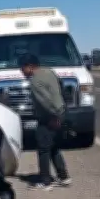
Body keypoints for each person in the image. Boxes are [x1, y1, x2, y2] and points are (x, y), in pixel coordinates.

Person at [18, 53, 72, 190]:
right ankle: (63, 176)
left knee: (43, 148)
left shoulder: (35, 81)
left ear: (30, 67)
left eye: (22, 68)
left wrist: (54, 117)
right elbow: (60, 90)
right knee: (53, 147)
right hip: (61, 111)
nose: (21, 71)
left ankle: (45, 181)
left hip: (50, 116)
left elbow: (46, 101)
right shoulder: (49, 72)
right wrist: (61, 114)